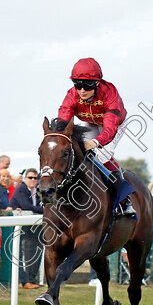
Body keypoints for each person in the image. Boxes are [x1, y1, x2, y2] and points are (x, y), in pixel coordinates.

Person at [55, 57, 134, 217]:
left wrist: (96, 142)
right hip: (90, 123)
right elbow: (63, 118)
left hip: (114, 124)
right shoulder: (72, 95)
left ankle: (125, 200)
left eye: (87, 85)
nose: (82, 90)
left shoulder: (110, 94)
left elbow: (110, 128)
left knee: (102, 156)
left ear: (97, 83)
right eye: (77, 84)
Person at [10, 168, 45, 289]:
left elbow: (43, 203)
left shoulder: (36, 190)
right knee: (19, 253)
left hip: (33, 226)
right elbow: (26, 206)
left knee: (36, 250)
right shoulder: (21, 189)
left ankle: (31, 279)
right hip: (19, 227)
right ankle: (23, 281)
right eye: (30, 178)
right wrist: (44, 210)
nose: (33, 180)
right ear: (25, 179)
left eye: (35, 178)